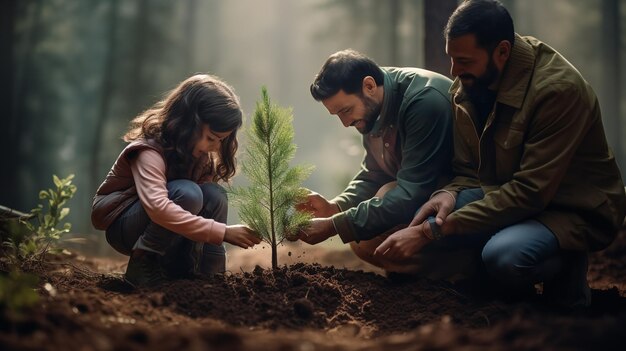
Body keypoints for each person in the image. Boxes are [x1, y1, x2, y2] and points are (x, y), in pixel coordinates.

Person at [375, 0, 626, 308]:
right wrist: (449, 194)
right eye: (451, 59)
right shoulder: (469, 86)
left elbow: (530, 193)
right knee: (421, 210)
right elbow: (468, 170)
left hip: (569, 208)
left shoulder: (558, 92)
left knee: (503, 257)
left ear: (502, 52)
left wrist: (432, 232)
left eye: (464, 60)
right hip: (504, 192)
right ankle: (493, 272)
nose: (454, 71)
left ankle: (565, 259)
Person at [91, 74, 261, 288]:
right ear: (188, 122)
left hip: (167, 228)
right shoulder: (148, 150)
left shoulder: (198, 156)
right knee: (188, 193)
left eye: (221, 141)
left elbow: (204, 207)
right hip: (126, 228)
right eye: (211, 138)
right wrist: (223, 232)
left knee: (215, 195)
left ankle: (210, 276)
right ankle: (143, 264)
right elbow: (158, 208)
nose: (216, 148)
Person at [298, 49, 454, 271]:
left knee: (377, 210)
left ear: (369, 86)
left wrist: (334, 225)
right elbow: (374, 173)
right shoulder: (373, 108)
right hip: (428, 198)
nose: (345, 123)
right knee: (362, 238)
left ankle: (461, 276)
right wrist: (335, 207)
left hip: (465, 199)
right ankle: (421, 282)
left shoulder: (423, 102)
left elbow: (412, 193)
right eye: (338, 115)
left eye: (346, 110)